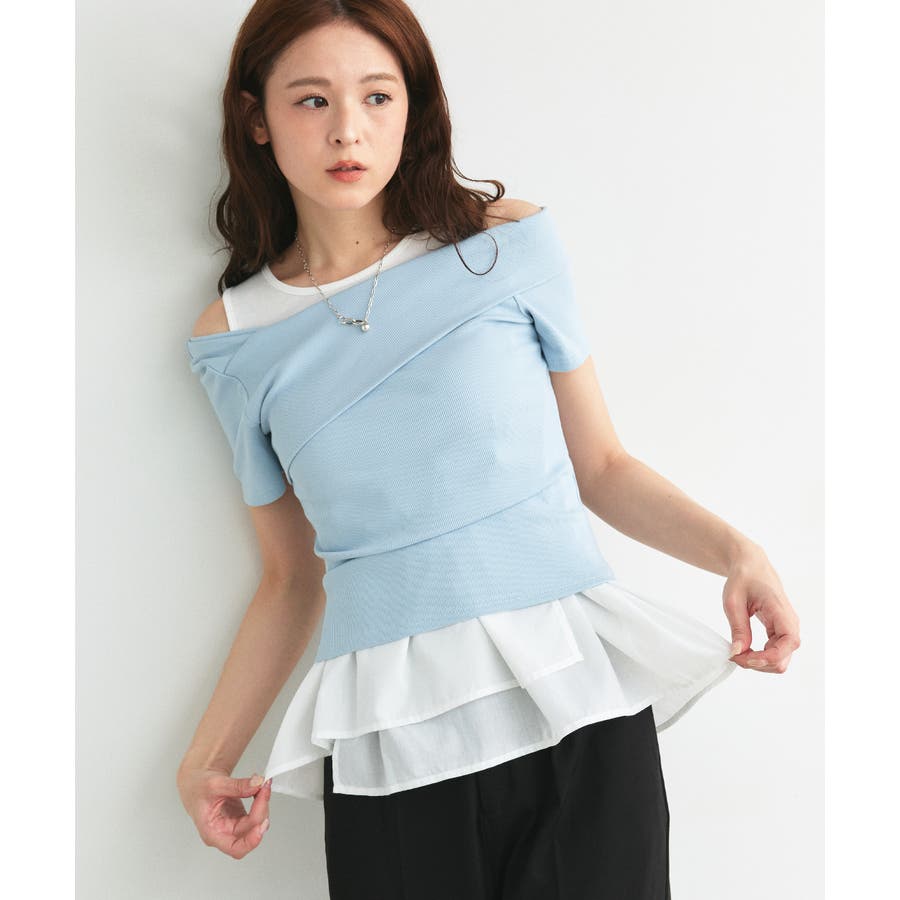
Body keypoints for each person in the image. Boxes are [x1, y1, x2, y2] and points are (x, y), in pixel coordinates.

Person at [176, 1, 801, 897]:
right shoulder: (236, 340)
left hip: (576, 707)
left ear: (413, 106)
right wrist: (207, 759)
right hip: (391, 742)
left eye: (377, 96)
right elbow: (289, 577)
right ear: (256, 118)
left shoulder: (503, 245)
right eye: (312, 100)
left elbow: (601, 466)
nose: (348, 129)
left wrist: (737, 553)